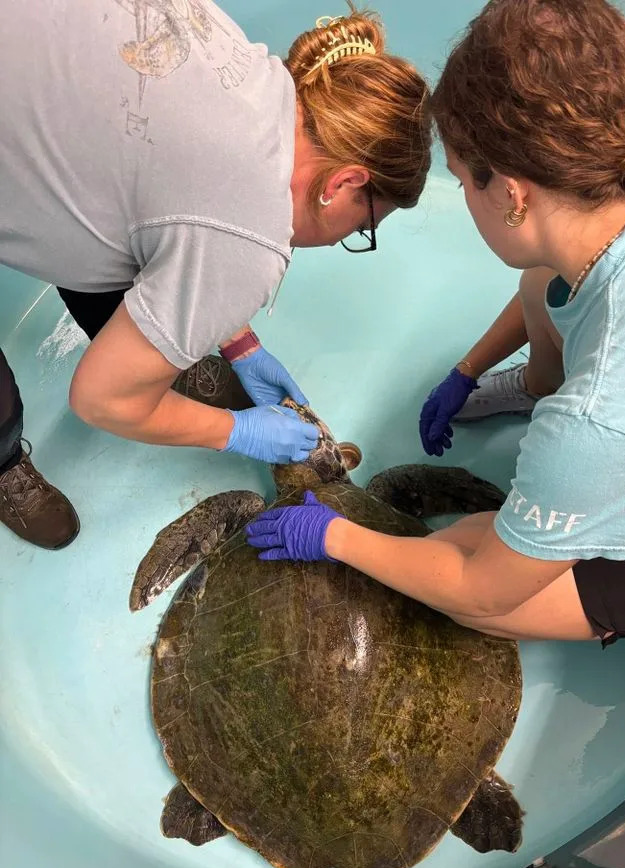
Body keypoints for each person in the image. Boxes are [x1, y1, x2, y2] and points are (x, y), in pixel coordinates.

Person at [245, 0, 625, 645]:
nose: (465, 198)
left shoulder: (599, 421)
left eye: (465, 179)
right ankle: (531, 390)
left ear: (512, 192)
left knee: (467, 571)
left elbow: (481, 587)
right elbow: (552, 288)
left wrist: (335, 536)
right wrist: (468, 371)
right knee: (542, 283)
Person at [0, 2, 430, 550]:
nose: (353, 236)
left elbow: (168, 192)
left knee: (113, 230)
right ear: (343, 183)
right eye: (365, 225)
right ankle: (2, 459)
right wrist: (237, 433)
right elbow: (97, 400)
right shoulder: (254, 245)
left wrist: (237, 338)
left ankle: (147, 351)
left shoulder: (245, 63)